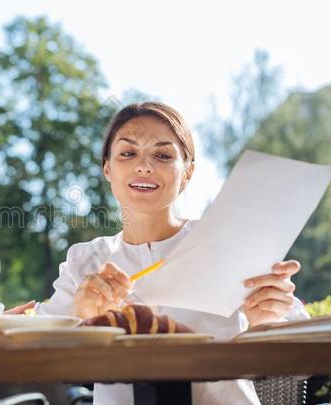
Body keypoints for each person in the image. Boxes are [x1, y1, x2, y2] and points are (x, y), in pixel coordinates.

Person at [37, 101, 309, 404]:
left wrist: (267, 323)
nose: (144, 165)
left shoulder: (230, 244)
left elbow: (306, 362)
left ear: (188, 173)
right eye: (128, 153)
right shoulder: (85, 261)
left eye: (163, 155)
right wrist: (81, 320)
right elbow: (37, 354)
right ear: (107, 168)